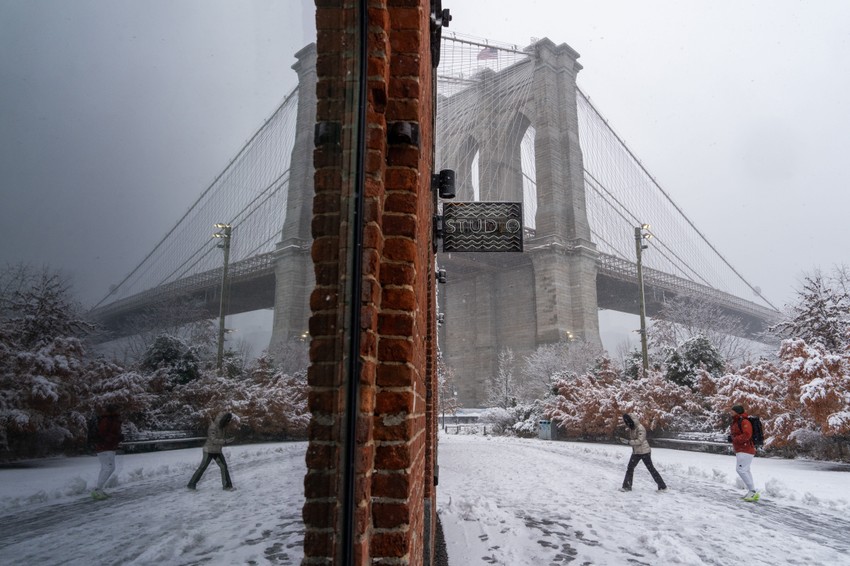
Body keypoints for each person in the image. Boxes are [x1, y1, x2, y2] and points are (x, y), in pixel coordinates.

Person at [619, 412, 667, 492]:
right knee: (630, 468)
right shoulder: (632, 428)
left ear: (632, 420)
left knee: (651, 469)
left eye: (627, 422)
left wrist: (628, 442)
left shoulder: (640, 428)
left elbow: (640, 441)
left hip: (645, 452)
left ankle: (662, 486)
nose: (627, 424)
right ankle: (627, 486)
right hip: (636, 452)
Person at [188, 412, 235, 491]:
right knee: (202, 468)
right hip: (208, 451)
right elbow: (213, 440)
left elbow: (221, 438)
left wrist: (227, 438)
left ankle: (227, 486)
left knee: (224, 467)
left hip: (217, 451)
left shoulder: (222, 427)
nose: (228, 422)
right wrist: (225, 441)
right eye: (227, 420)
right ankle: (191, 484)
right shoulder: (212, 427)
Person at [728, 404, 759, 502]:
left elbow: (747, 434)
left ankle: (753, 491)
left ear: (737, 412)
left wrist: (734, 439)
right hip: (741, 449)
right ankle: (751, 491)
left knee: (740, 470)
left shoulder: (744, 421)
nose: (730, 412)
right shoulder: (736, 421)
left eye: (732, 411)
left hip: (745, 449)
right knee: (745, 470)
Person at [92, 404, 123, 500]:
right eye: (118, 409)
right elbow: (103, 434)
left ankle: (99, 490)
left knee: (106, 467)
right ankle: (97, 490)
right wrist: (117, 437)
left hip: (106, 447)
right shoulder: (107, 420)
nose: (120, 411)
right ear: (113, 410)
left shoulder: (111, 419)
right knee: (109, 468)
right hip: (105, 447)